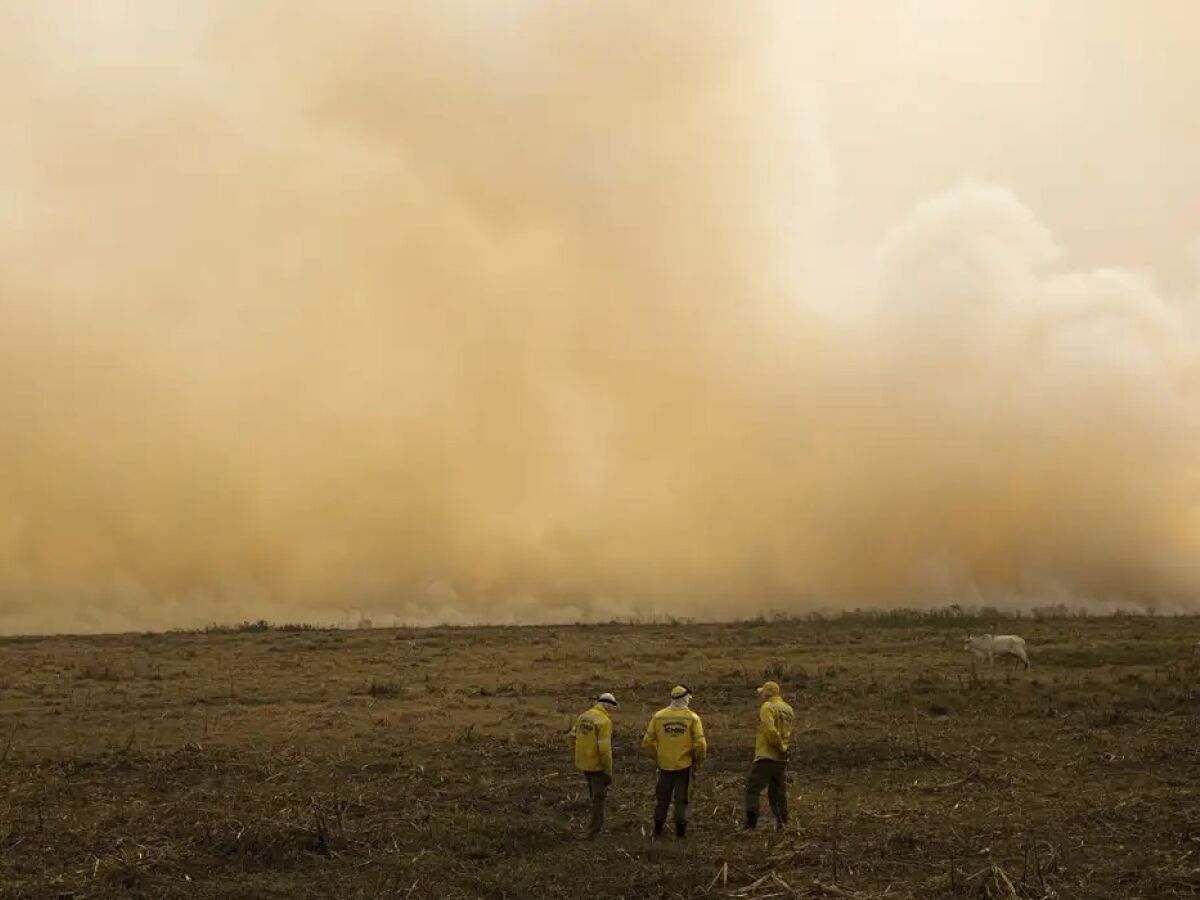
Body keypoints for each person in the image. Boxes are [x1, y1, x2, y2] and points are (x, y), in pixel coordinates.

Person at [642, 684, 707, 838]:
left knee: (662, 799)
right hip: (683, 767)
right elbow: (701, 744)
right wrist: (698, 761)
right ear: (686, 698)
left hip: (664, 766)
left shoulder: (658, 716)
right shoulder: (692, 718)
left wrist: (657, 757)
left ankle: (657, 830)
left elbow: (647, 742)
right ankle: (680, 834)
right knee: (681, 800)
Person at [744, 680, 794, 831]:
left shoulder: (767, 707)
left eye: (763, 693)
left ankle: (751, 823)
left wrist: (778, 745)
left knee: (752, 789)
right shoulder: (788, 709)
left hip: (766, 755)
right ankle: (782, 823)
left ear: (767, 693)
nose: (761, 695)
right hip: (781, 757)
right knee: (778, 792)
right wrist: (784, 748)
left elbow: (770, 731)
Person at [568, 692, 618, 838]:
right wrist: (608, 770)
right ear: (607, 704)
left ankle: (594, 826)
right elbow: (604, 749)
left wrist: (576, 755)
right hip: (597, 766)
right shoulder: (604, 721)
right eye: (612, 706)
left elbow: (571, 737)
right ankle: (595, 830)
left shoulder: (583, 716)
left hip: (583, 763)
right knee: (599, 797)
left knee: (593, 794)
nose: (612, 710)